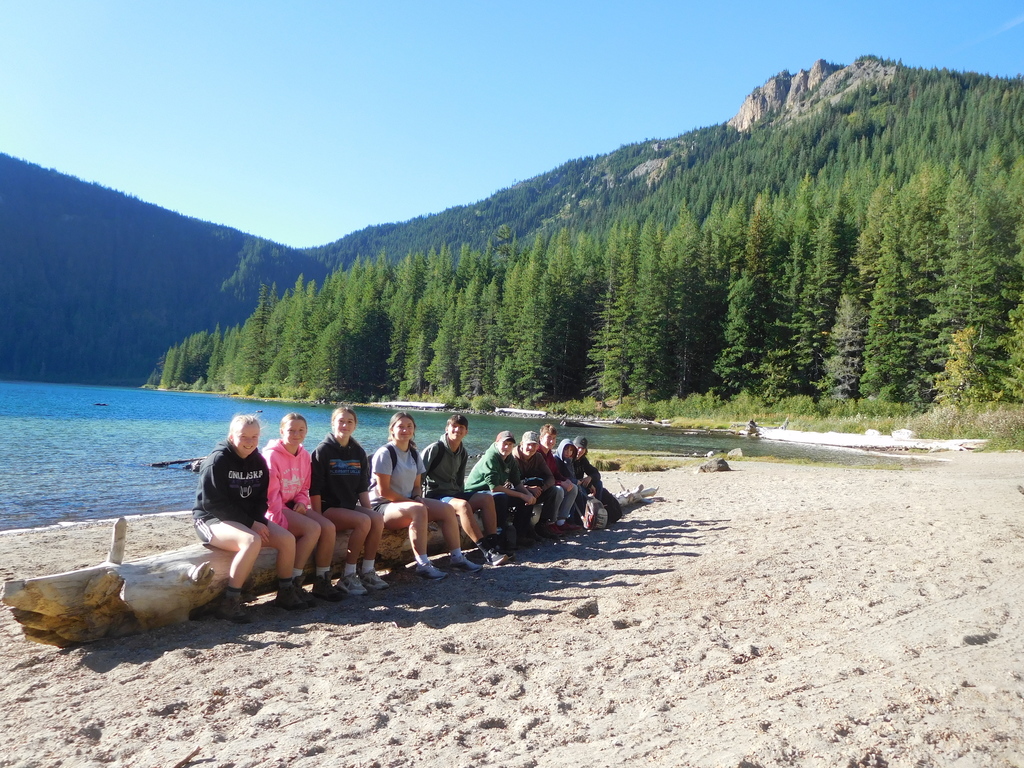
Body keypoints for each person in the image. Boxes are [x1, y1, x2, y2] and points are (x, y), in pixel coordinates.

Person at [192, 414, 307, 623]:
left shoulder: (259, 461)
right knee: (251, 540)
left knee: (287, 539)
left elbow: (261, 500)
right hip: (211, 519)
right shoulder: (217, 460)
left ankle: (285, 592)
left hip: (244, 519)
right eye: (243, 436)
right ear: (231, 435)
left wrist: (259, 521)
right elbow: (212, 504)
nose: (249, 442)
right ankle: (230, 601)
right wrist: (251, 524)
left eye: (254, 437)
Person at [369, 412, 483, 579]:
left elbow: (417, 486)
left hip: (407, 504)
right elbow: (383, 491)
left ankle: (457, 557)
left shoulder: (414, 454)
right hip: (383, 506)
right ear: (392, 429)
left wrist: (416, 498)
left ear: (414, 430)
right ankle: (422, 564)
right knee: (418, 510)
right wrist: (414, 503)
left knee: (446, 509)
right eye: (400, 426)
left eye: (409, 426)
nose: (405, 430)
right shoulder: (385, 453)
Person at [262, 413, 346, 603]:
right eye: (291, 430)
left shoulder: (304, 455)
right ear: (282, 430)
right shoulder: (271, 456)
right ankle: (293, 582)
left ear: (306, 432)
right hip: (274, 509)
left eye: (301, 430)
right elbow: (270, 496)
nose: (296, 434)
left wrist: (302, 501)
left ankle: (322, 580)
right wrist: (278, 523)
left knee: (328, 527)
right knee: (312, 528)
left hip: (294, 506)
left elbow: (304, 487)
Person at [309, 407, 390, 593]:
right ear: (333, 423)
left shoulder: (358, 452)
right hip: (328, 508)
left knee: (376, 519)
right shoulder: (323, 450)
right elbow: (315, 488)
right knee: (362, 521)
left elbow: (362, 487)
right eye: (341, 421)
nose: (345, 425)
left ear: (355, 425)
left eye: (349, 422)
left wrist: (370, 512)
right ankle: (347, 575)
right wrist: (318, 518)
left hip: (349, 507)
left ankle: (368, 571)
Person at [422, 414, 509, 566]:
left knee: (487, 498)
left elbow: (460, 481)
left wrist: (467, 497)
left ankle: (494, 544)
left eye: (461, 427)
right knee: (462, 505)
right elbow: (418, 476)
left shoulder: (462, 452)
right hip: (436, 496)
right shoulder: (435, 449)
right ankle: (486, 551)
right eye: (454, 426)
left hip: (453, 494)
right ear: (447, 428)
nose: (457, 430)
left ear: (466, 432)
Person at [466, 430, 541, 547]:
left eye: (510, 445)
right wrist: (522, 495)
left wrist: (528, 495)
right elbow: (495, 488)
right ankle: (500, 537)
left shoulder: (509, 458)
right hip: (476, 492)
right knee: (501, 497)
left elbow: (516, 482)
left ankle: (520, 536)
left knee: (526, 500)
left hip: (492, 491)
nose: (507, 447)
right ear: (496, 443)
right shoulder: (491, 457)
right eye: (504, 443)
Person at [513, 430, 564, 539]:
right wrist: (528, 489)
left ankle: (542, 525)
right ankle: (522, 531)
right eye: (528, 445)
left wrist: (541, 488)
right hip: (516, 491)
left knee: (554, 491)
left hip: (532, 491)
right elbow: (507, 483)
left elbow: (550, 477)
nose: (531, 448)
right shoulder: (512, 458)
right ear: (521, 444)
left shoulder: (538, 457)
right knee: (528, 497)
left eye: (534, 445)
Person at [538, 424, 582, 533]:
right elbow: (541, 476)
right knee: (559, 490)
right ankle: (550, 522)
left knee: (573, 488)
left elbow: (555, 473)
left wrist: (565, 480)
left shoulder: (549, 454)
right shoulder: (537, 453)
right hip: (541, 485)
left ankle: (561, 522)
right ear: (541, 438)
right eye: (549, 438)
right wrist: (560, 483)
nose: (551, 441)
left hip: (550, 483)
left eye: (553, 438)